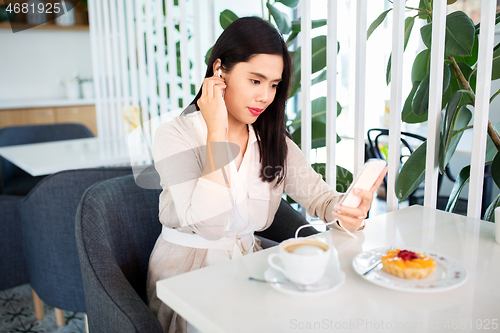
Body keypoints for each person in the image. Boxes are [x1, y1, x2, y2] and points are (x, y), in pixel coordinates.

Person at [147, 16, 386, 333]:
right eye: (255, 81)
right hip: (188, 279)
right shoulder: (174, 135)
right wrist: (217, 131)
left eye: (274, 85)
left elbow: (321, 198)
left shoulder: (272, 140)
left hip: (249, 267)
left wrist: (346, 211)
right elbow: (209, 224)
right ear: (220, 71)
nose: (265, 96)